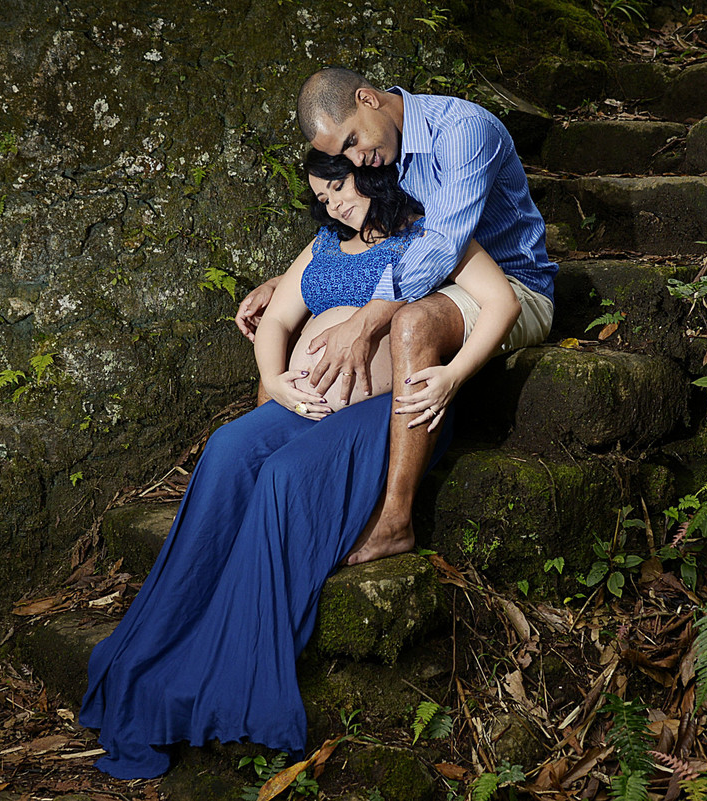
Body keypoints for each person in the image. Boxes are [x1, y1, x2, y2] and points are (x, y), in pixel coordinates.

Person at [79, 150, 522, 779]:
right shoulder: (320, 245)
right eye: (322, 195)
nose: (333, 203)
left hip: (382, 414)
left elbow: (499, 302)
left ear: (371, 174)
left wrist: (451, 376)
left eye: (339, 188)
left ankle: (228, 667)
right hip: (306, 401)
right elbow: (277, 321)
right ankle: (166, 634)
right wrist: (276, 383)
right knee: (228, 448)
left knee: (284, 479)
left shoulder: (429, 232)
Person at [236, 68, 558, 567]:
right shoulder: (387, 150)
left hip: (510, 285)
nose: (355, 158)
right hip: (448, 282)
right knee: (308, 326)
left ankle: (395, 519)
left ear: (369, 98)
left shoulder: (462, 132)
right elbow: (385, 234)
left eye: (353, 141)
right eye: (344, 157)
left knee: (411, 324)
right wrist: (289, 283)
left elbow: (439, 246)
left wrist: (365, 324)